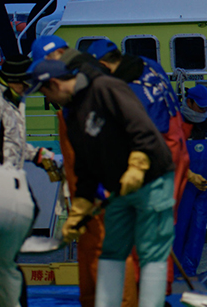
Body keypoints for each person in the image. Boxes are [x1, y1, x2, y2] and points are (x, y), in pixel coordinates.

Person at [28, 58, 176, 307]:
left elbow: (143, 129)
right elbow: (84, 166)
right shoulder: (73, 113)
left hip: (153, 177)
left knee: (151, 252)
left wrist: (137, 165)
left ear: (55, 83)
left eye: (45, 93)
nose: (48, 100)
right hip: (117, 185)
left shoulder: (105, 88)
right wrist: (81, 206)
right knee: (112, 250)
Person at [29, 36, 138, 307]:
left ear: (54, 56)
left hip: (103, 184)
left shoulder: (90, 79)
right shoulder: (80, 77)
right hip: (85, 183)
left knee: (109, 248)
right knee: (89, 248)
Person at [88, 39, 190, 293]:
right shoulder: (148, 64)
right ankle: (159, 288)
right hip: (177, 147)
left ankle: (146, 291)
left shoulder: (127, 89)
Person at [0, 56, 56, 307]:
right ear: (14, 80)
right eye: (26, 84)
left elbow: (11, 143)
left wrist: (37, 155)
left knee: (2, 264)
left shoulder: (11, 99)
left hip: (8, 186)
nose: (29, 89)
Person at [173, 85, 207, 276]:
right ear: (188, 102)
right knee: (178, 228)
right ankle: (174, 273)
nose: (204, 110)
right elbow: (170, 154)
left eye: (206, 107)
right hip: (181, 186)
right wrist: (189, 175)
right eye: (200, 106)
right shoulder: (176, 123)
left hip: (205, 187)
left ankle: (189, 272)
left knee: (198, 229)